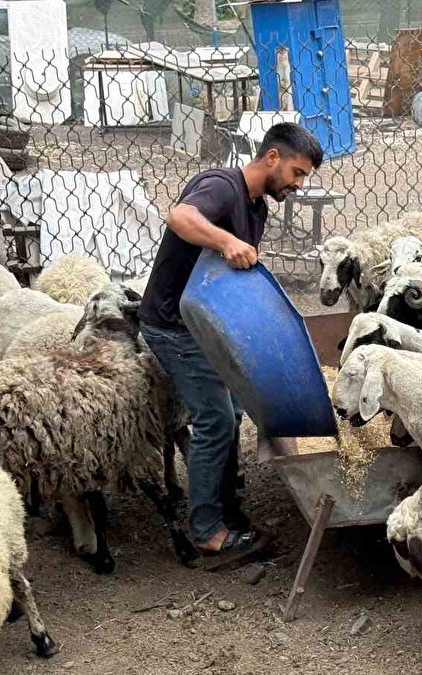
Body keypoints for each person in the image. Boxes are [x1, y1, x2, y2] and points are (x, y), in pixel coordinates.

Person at [138, 122, 324, 563]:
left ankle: (222, 507)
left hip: (206, 324)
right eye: (297, 173)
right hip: (173, 326)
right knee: (216, 419)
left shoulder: (256, 207)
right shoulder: (221, 187)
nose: (299, 186)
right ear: (273, 158)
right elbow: (179, 216)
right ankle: (206, 533)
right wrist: (225, 240)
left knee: (235, 409)